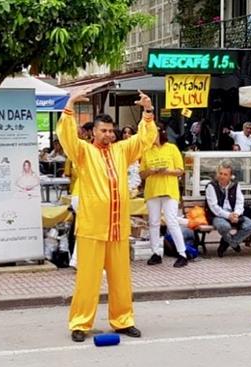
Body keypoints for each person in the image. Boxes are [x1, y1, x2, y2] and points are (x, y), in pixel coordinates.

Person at [58, 88, 157, 343]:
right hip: (92, 227)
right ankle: (80, 323)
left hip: (117, 227)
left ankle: (123, 320)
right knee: (87, 280)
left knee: (121, 279)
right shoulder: (82, 152)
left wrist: (147, 111)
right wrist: (69, 104)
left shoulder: (121, 150)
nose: (108, 135)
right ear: (94, 132)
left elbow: (144, 140)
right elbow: (66, 136)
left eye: (111, 131)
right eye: (103, 131)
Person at [140, 127, 188, 268]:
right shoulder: (146, 151)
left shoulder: (172, 148)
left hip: (169, 190)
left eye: (152, 134)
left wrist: (167, 171)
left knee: (171, 221)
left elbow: (180, 170)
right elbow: (142, 173)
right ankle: (155, 253)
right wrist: (151, 171)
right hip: (152, 191)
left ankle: (182, 253)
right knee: (153, 223)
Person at [205, 161, 251, 257]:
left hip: (234, 214)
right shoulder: (211, 186)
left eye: (225, 174)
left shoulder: (235, 185)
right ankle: (233, 243)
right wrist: (228, 215)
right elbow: (214, 207)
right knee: (224, 227)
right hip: (218, 215)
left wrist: (236, 214)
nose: (222, 176)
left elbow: (240, 202)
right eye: (220, 173)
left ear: (230, 176)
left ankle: (227, 243)